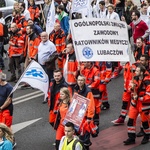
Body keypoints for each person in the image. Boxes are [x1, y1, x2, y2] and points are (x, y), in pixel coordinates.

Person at [123, 64, 150, 145]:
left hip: (144, 105)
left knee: (145, 123)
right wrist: (132, 88)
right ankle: (131, 138)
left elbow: (148, 95)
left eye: (137, 71)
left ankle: (147, 136)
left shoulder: (147, 81)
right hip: (134, 104)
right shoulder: (135, 78)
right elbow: (129, 88)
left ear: (142, 72)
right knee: (130, 121)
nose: (135, 72)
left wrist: (139, 97)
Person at [74, 75, 95, 149]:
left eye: (81, 80)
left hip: (85, 117)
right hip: (78, 116)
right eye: (79, 80)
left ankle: (86, 146)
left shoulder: (88, 92)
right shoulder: (76, 89)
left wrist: (89, 117)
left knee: (85, 134)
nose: (80, 82)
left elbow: (91, 105)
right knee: (80, 133)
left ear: (84, 81)